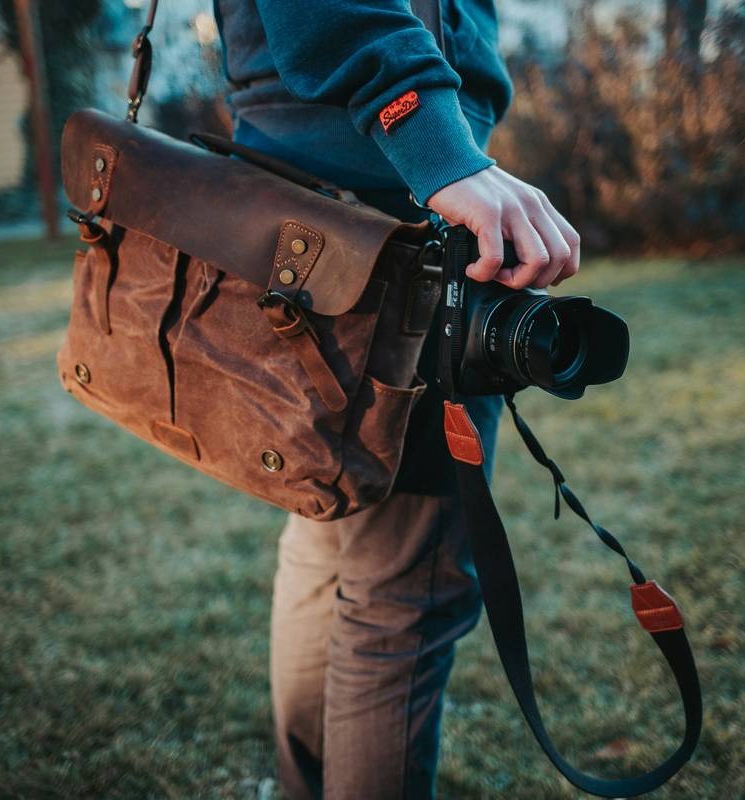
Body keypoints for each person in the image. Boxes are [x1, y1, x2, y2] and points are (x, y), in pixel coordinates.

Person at [211, 2, 581, 797]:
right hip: (387, 198)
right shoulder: (411, 150)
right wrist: (437, 145)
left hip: (294, 193)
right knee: (404, 589)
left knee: (329, 522)